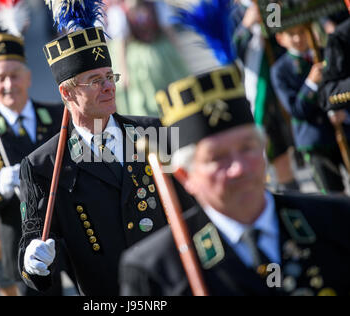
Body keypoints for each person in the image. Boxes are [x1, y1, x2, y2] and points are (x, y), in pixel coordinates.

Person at [119, 63, 350, 296]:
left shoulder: (335, 221)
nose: (238, 168)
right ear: (185, 176)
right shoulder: (156, 269)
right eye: (217, 158)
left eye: (247, 148)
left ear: (264, 150)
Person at [17, 2, 194, 295]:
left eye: (110, 77)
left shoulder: (154, 131)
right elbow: (33, 239)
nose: (109, 87)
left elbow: (191, 206)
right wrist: (32, 261)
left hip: (173, 286)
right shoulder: (42, 166)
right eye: (95, 81)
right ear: (67, 92)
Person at [0, 33, 64, 296]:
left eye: (15, 75)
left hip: (70, 232)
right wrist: (0, 187)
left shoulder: (57, 117)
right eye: (0, 78)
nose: (9, 84)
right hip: (22, 243)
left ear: (28, 77)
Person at [271, 24, 350, 194]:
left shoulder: (328, 52)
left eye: (301, 32)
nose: (298, 38)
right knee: (333, 195)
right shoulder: (280, 70)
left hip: (344, 129)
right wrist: (311, 83)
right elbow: (295, 110)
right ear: (280, 38)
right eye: (291, 34)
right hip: (315, 140)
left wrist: (345, 114)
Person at [231, 0, 299, 192]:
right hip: (259, 88)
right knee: (276, 150)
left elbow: (284, 35)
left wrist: (273, 18)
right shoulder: (234, 12)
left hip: (284, 80)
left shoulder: (272, 4)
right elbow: (229, 53)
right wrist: (246, 25)